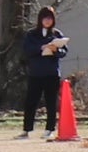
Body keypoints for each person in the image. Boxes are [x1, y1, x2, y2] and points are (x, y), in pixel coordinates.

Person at [18, 7, 70, 137]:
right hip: (35, 72)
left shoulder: (57, 34)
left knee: (51, 102)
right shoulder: (31, 34)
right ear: (40, 19)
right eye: (45, 18)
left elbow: (64, 51)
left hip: (51, 73)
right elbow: (27, 50)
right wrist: (41, 48)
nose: (47, 21)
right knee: (31, 102)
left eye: (50, 18)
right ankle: (27, 129)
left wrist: (55, 50)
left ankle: (50, 129)